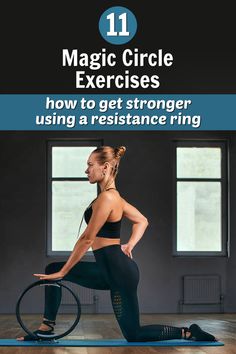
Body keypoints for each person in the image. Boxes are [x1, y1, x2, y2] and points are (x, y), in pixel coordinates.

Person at [17, 145, 216, 342]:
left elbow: (87, 238)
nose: (86, 170)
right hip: (108, 271)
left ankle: (189, 332)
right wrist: (129, 245)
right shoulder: (115, 198)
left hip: (120, 274)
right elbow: (142, 220)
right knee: (52, 268)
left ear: (105, 167)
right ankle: (46, 329)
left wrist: (64, 271)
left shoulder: (108, 198)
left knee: (134, 334)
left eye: (90, 165)